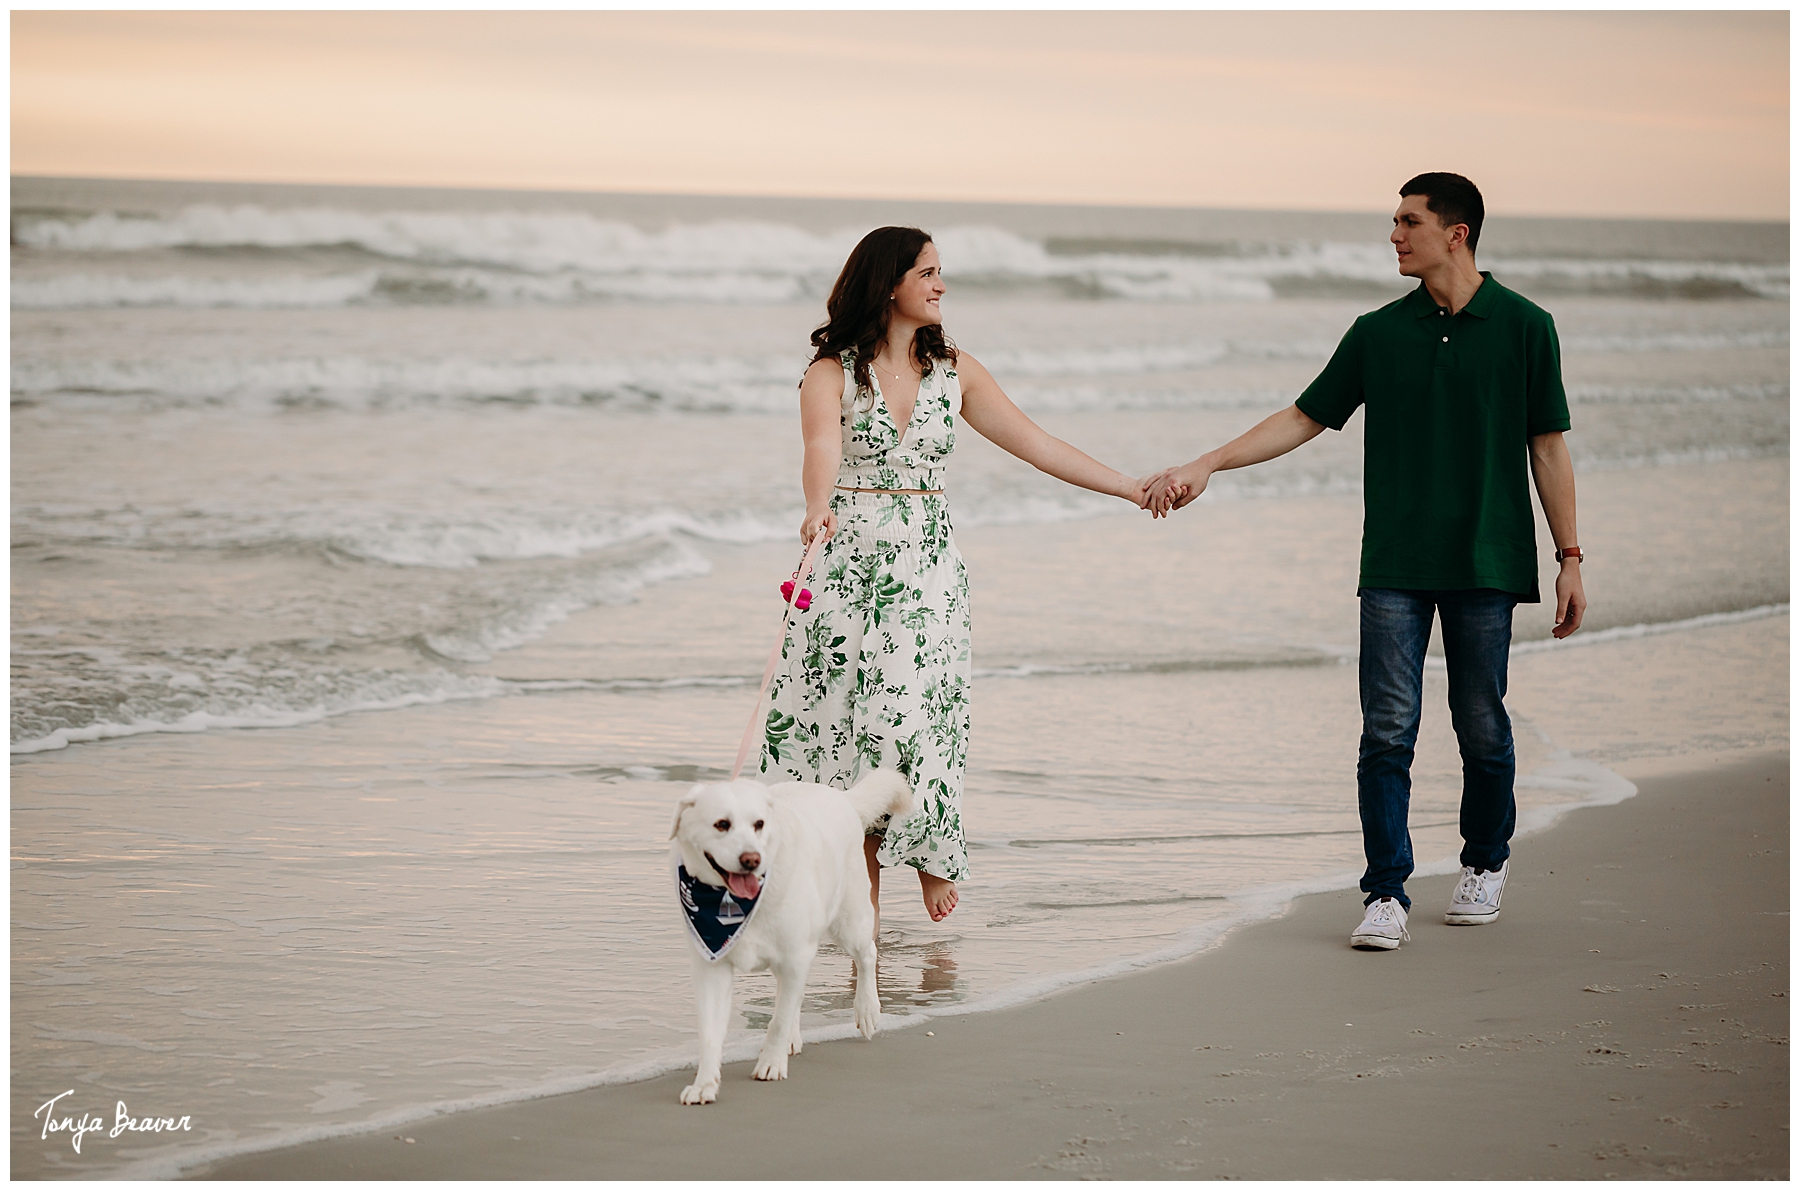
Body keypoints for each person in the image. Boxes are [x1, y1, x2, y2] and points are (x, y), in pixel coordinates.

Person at [1146, 172, 1588, 951]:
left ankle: (1485, 860)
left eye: (1408, 222)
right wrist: (1209, 461)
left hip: (1487, 558)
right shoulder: (1377, 333)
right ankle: (1386, 891)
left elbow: (1547, 447)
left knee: (1481, 724)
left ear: (1457, 232)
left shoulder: (1526, 326)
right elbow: (1304, 416)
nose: (1394, 234)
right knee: (1387, 729)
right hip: (1393, 562)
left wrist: (1571, 558)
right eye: (1394, 221)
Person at [762, 226, 1152, 927]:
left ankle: (933, 851)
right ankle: (864, 889)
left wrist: (1128, 486)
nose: (942, 285)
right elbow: (820, 445)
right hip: (849, 568)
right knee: (851, 726)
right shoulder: (831, 372)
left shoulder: (956, 370)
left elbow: (1035, 443)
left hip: (928, 573)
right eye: (929, 273)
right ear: (889, 283)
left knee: (917, 718)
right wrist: (816, 507)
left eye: (941, 272)